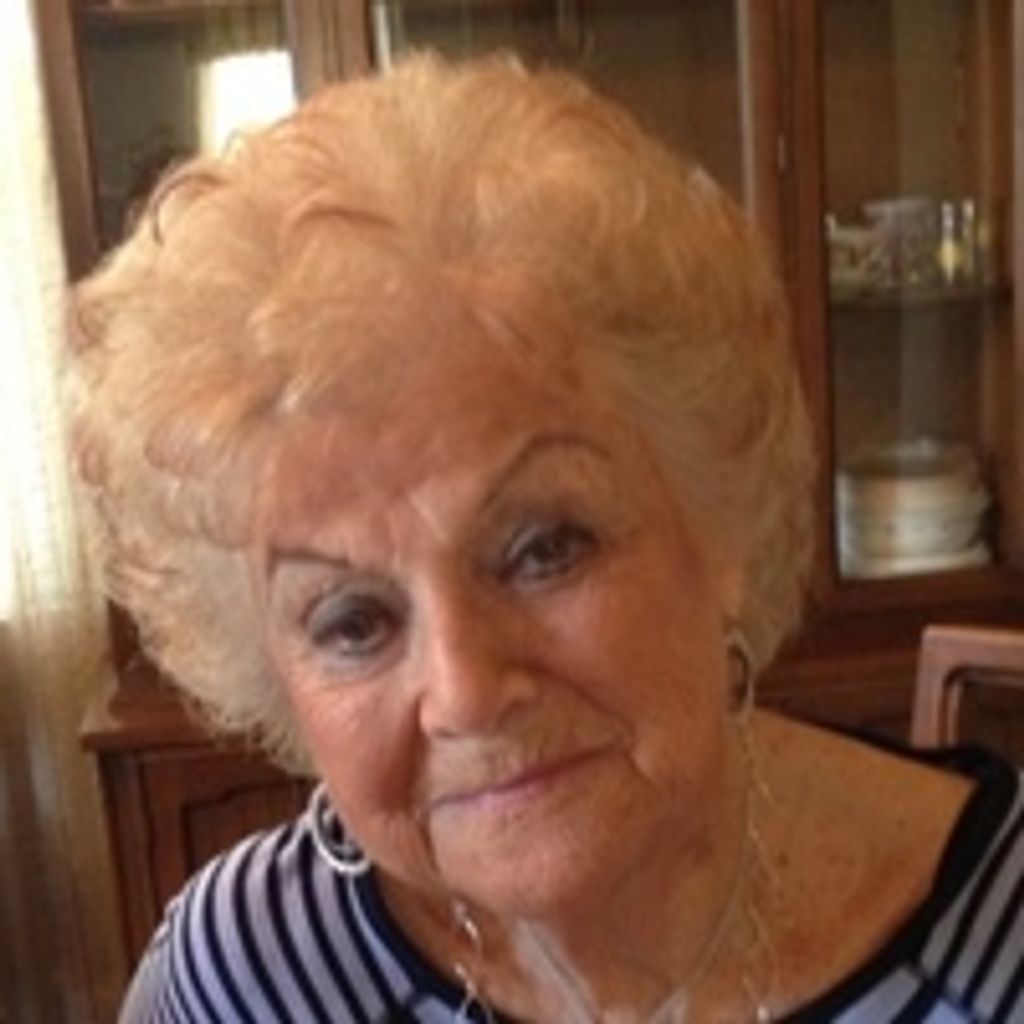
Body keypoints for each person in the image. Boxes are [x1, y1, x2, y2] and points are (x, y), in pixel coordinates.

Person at [68, 53, 1022, 1024]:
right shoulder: (243, 981)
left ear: (719, 520)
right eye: (352, 622)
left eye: (543, 550)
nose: (466, 692)